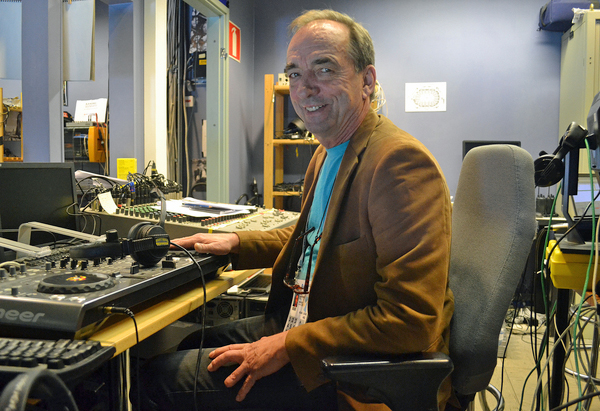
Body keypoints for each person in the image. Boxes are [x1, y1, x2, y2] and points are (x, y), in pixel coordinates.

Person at [134, 9, 454, 411]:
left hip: (353, 375)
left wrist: (288, 344)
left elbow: (411, 320)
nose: (304, 88)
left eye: (324, 69)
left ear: (367, 81)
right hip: (310, 326)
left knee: (158, 380)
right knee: (195, 341)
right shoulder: (327, 153)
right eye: (295, 74)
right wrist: (236, 243)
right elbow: (315, 238)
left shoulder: (398, 163)